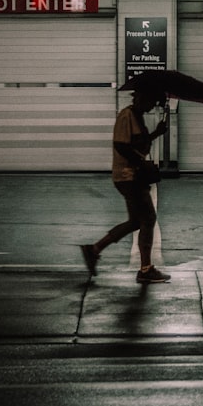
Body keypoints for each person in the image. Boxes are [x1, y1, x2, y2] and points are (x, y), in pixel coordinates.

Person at [81, 88, 171, 284]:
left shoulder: (137, 117)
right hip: (129, 176)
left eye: (153, 103)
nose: (150, 106)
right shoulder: (127, 116)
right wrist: (140, 163)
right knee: (148, 218)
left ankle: (94, 249)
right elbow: (121, 145)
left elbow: (139, 144)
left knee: (135, 222)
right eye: (149, 101)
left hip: (133, 176)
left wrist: (156, 132)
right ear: (139, 98)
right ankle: (145, 269)